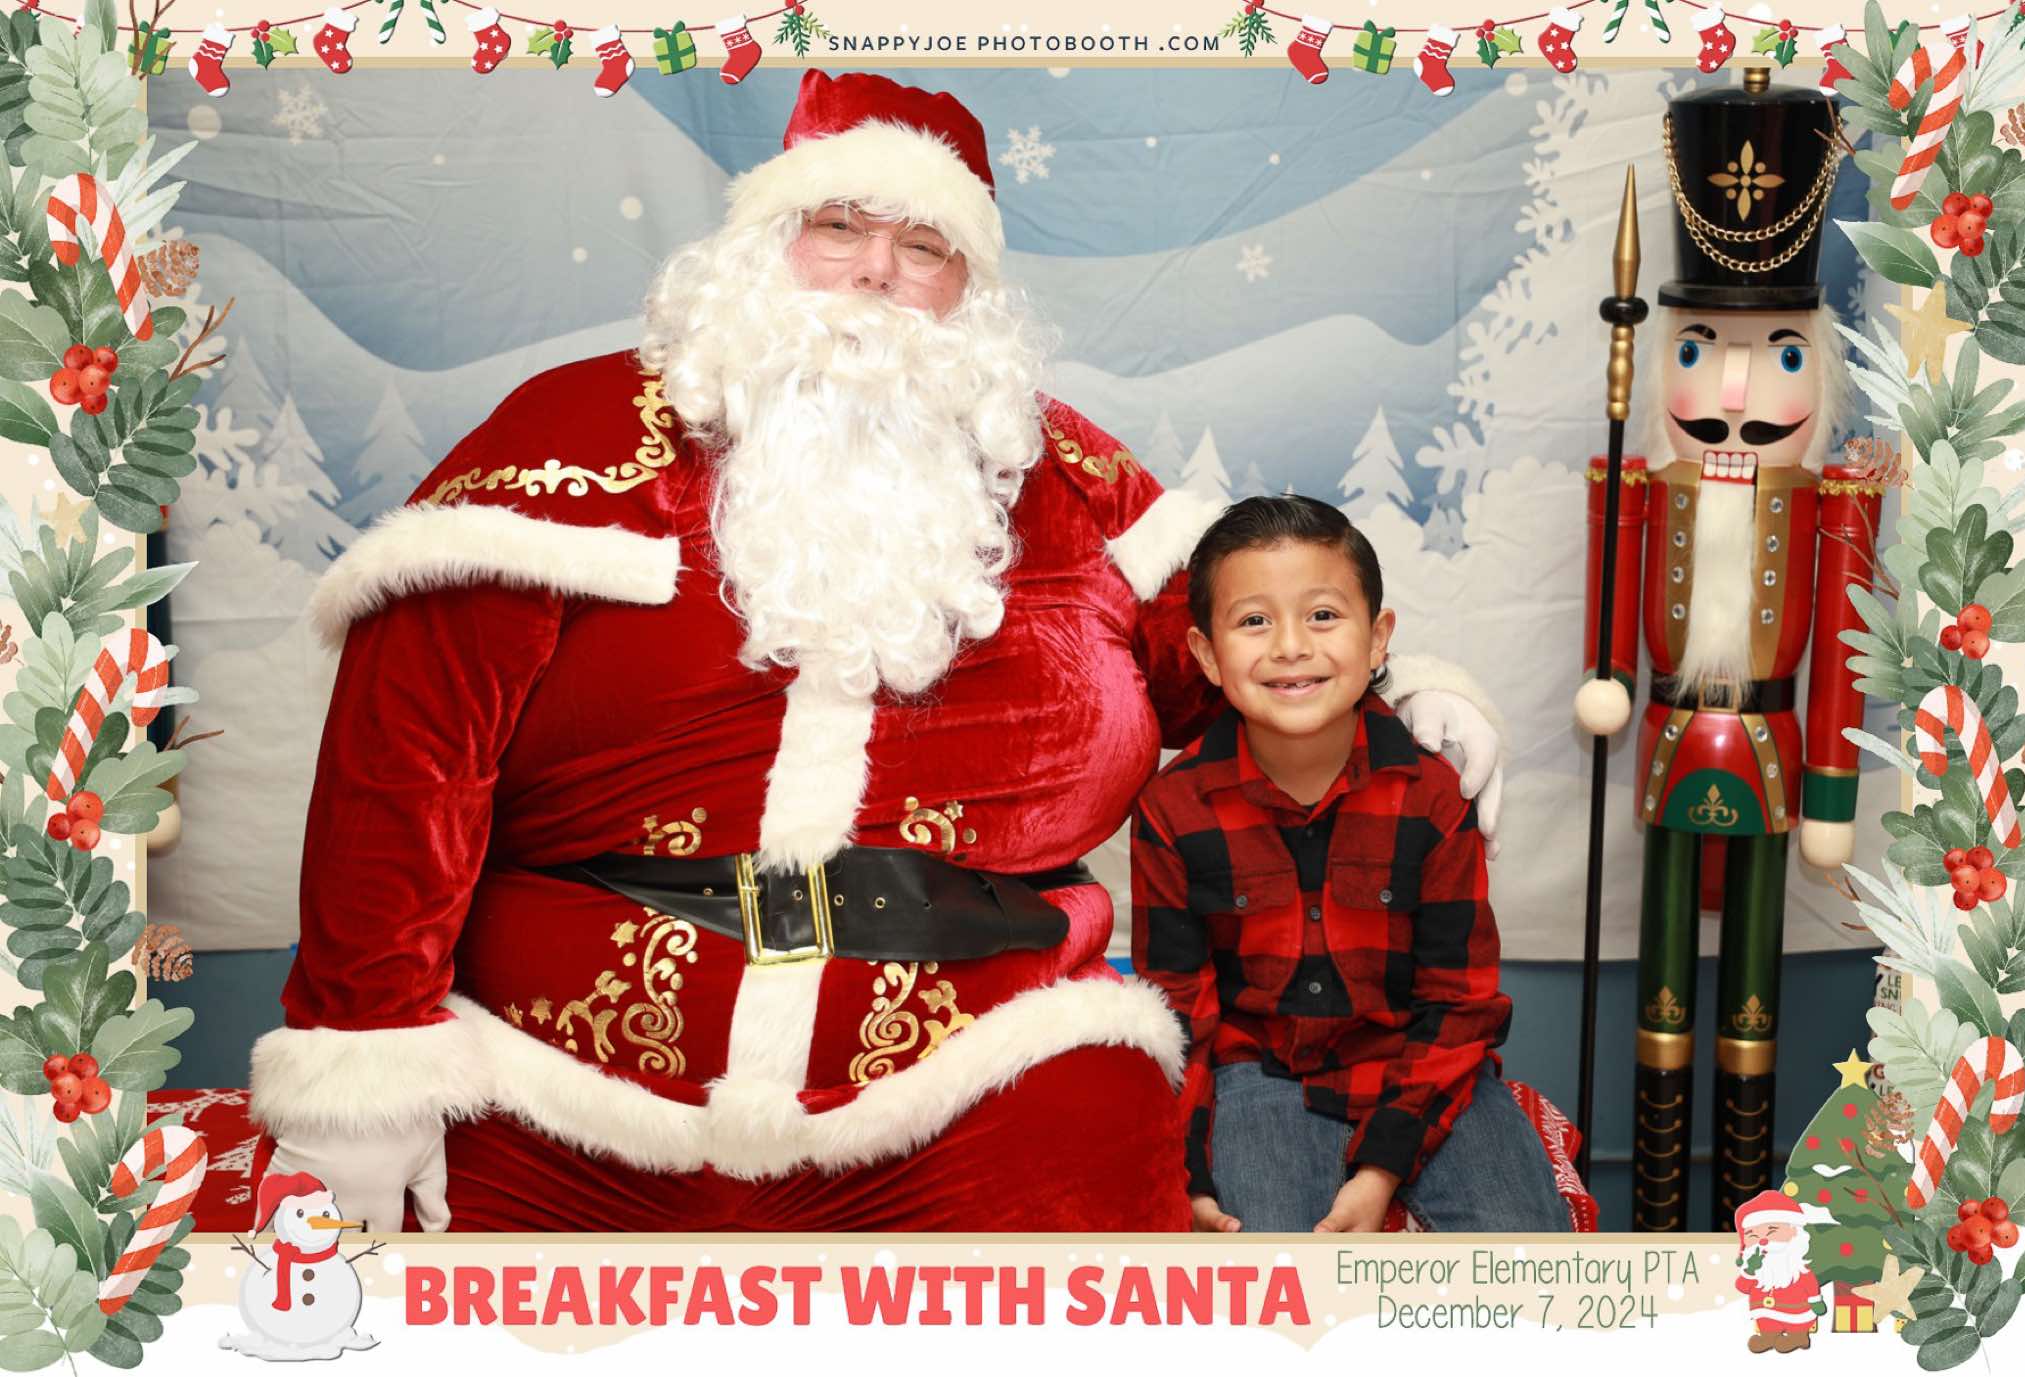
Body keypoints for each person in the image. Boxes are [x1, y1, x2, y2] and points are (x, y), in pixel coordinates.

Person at [248, 71, 1508, 1231]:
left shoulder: (1064, 475)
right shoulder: (571, 439)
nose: (873, 275)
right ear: (764, 245)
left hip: (978, 1072)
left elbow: (1240, 645)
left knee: (1104, 1257)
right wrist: (365, 1052)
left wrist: (1397, 696)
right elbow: (405, 761)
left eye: (923, 247)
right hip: (564, 1075)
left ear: (969, 289)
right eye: (837, 228)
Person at [1572, 67, 1874, 1231]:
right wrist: (1604, 676)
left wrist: (1832, 790)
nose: (1736, 388)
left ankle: (1743, 1229)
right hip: (1664, 735)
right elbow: (1612, 589)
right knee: (1659, 995)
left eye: (1778, 355)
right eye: (1702, 348)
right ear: (1664, 357)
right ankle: (1655, 1224)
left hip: (1771, 741)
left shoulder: (1830, 502)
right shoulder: (1640, 485)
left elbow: (1840, 643)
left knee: (1751, 1001)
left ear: (1816, 362)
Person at [1130, 496, 1564, 1233]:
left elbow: (1460, 1003)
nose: (1290, 646)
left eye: (1323, 615)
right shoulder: (1173, 809)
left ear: (1377, 639)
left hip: (1422, 1068)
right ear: (1206, 654)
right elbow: (1180, 1018)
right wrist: (1188, 1174)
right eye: (1254, 621)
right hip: (1258, 1075)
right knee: (1273, 1274)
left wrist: (1381, 1168)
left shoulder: (1433, 795)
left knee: (1526, 1261)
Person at [1732, 1189, 1824, 1352]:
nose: (1763, 1241)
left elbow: (1809, 1283)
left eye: (1772, 1231)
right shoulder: (1756, 1268)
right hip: (1766, 1312)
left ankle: (1798, 1337)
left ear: (1794, 1231)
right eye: (1753, 1236)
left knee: (1797, 1326)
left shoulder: (1797, 1268)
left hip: (1797, 1313)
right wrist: (1750, 1269)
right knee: (1767, 1325)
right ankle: (1768, 1337)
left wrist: (1815, 1301)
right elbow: (1742, 1286)